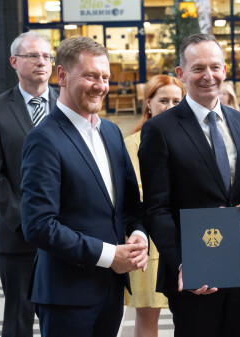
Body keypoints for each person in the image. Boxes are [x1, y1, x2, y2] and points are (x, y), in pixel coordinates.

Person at [138, 33, 240, 337]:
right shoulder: (160, 130)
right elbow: (156, 208)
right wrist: (182, 264)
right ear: (181, 74)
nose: (208, 76)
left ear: (225, 69)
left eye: (215, 66)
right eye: (198, 68)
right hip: (194, 274)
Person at [20, 36, 148, 337]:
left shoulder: (113, 133)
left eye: (105, 77)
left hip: (111, 292)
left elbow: (130, 205)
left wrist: (139, 234)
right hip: (66, 295)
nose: (100, 85)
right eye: (90, 75)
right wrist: (109, 256)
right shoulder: (44, 139)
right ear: (61, 75)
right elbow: (39, 226)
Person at [0, 31, 57, 337]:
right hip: (18, 236)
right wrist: (28, 223)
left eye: (47, 56)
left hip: (68, 232)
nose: (41, 62)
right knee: (18, 320)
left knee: (65, 316)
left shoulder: (69, 104)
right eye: (33, 55)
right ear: (14, 61)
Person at [124, 74, 185, 337]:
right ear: (148, 103)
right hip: (149, 241)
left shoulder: (189, 138)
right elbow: (138, 192)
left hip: (186, 237)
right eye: (163, 100)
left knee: (192, 312)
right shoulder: (132, 143)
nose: (169, 107)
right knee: (148, 315)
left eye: (176, 100)